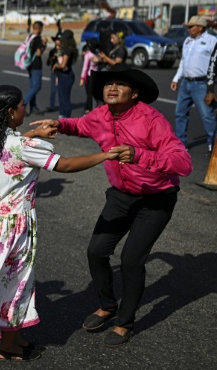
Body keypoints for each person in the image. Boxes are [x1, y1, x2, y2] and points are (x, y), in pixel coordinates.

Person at [32, 64, 193, 347]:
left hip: (156, 198)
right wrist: (60, 124)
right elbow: (81, 126)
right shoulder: (101, 115)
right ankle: (108, 306)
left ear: (135, 94)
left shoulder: (151, 119)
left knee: (131, 259)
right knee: (96, 251)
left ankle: (125, 322)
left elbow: (183, 162)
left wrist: (139, 155)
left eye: (120, 84)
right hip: (120, 196)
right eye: (108, 84)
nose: (112, 88)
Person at [0, 85, 117, 360]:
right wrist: (105, 155)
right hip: (13, 225)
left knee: (0, 281)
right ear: (12, 111)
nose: (26, 109)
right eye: (23, 104)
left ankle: (12, 337)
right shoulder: (23, 145)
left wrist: (35, 133)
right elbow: (64, 165)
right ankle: (8, 346)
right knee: (16, 284)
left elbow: (16, 143)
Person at [171, 15, 217, 153]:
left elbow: (214, 63)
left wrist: (211, 88)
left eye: (191, 26)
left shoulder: (211, 40)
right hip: (186, 82)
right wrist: (176, 78)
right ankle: (180, 144)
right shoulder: (187, 41)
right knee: (180, 113)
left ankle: (213, 145)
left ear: (201, 27)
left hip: (201, 83)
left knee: (207, 115)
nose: (188, 29)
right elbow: (183, 62)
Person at [22, 21, 47, 115]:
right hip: (36, 65)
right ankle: (23, 103)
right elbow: (39, 53)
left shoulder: (29, 37)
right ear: (39, 28)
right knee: (37, 86)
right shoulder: (37, 38)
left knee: (32, 86)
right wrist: (44, 45)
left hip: (29, 63)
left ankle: (33, 106)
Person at [52, 29, 77, 119]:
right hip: (63, 76)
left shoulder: (67, 51)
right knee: (61, 99)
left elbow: (63, 65)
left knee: (65, 99)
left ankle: (66, 118)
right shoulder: (67, 49)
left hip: (66, 76)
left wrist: (56, 65)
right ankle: (62, 117)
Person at [80, 39, 100, 114]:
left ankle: (89, 108)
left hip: (89, 75)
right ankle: (88, 107)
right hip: (95, 74)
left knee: (89, 93)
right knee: (91, 93)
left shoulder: (88, 55)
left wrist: (82, 78)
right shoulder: (97, 54)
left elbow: (85, 67)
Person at [44, 33, 60, 113]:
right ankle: (52, 105)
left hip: (62, 73)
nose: (58, 42)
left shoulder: (64, 51)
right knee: (53, 89)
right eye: (57, 40)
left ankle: (63, 105)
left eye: (60, 40)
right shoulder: (53, 51)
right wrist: (51, 58)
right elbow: (47, 63)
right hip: (54, 72)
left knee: (61, 90)